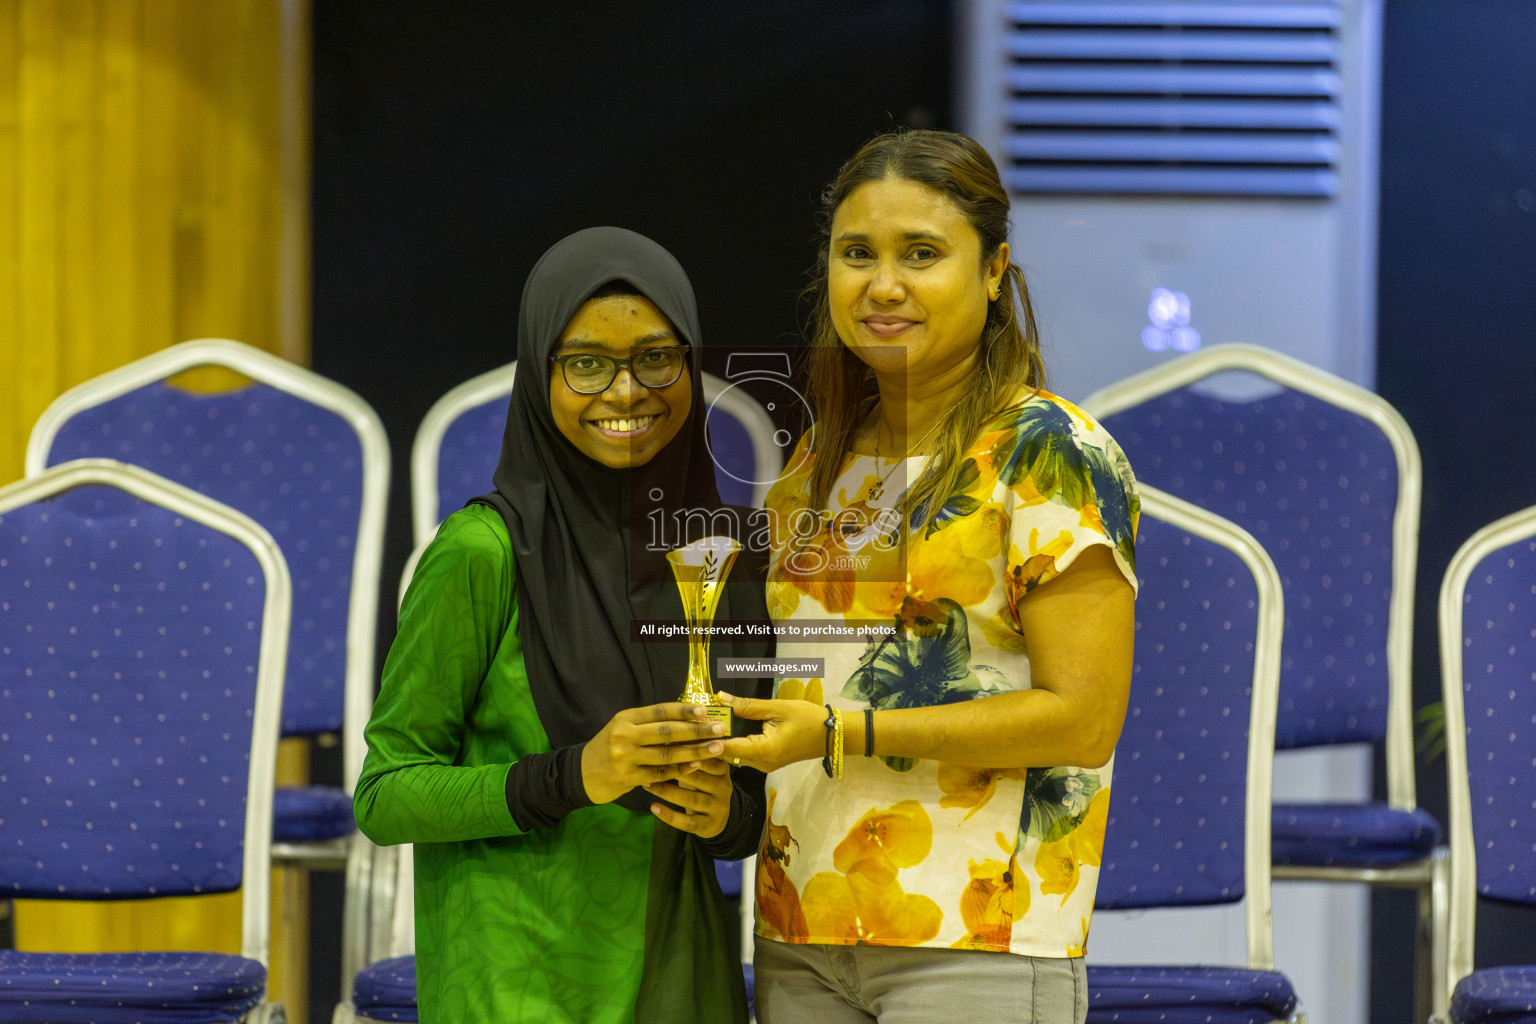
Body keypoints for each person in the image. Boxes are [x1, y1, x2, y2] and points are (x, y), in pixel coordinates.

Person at [718, 130, 1140, 1023]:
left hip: (978, 930)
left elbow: (1085, 717)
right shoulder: (812, 467)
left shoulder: (1049, 451)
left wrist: (840, 731)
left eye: (921, 254)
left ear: (993, 271)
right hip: (802, 925)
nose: (883, 285)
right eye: (856, 254)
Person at [354, 227, 770, 1024]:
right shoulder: (481, 553)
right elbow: (386, 793)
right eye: (586, 364)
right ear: (539, 374)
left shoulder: (721, 557)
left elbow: (750, 805)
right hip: (514, 973)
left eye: (656, 357)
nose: (626, 392)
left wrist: (725, 813)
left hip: (676, 967)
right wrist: (574, 775)